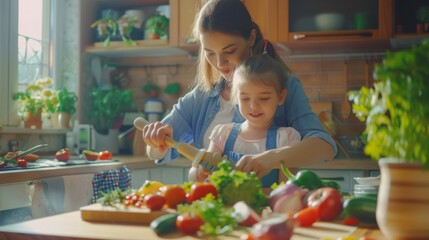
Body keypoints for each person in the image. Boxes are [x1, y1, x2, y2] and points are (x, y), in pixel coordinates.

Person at [142, 0, 337, 180]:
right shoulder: (201, 98)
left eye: (229, 51)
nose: (220, 63)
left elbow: (324, 147)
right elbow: (158, 152)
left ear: (251, 38)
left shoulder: (284, 86)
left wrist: (271, 158)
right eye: (210, 53)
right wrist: (156, 139)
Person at [189, 52, 302, 189]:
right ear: (236, 97)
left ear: (281, 97)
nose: (253, 106)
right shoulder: (222, 134)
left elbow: (286, 193)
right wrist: (197, 173)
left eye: (264, 98)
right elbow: (205, 182)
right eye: (245, 98)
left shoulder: (287, 139)